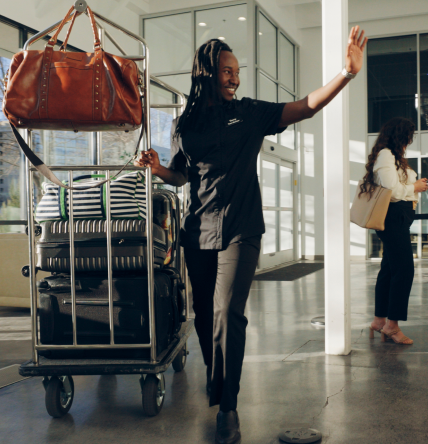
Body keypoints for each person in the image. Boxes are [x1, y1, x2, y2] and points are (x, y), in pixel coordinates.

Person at [136, 26, 367, 444]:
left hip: (242, 230)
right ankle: (218, 381)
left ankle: (228, 407)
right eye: (227, 71)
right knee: (205, 317)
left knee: (228, 313)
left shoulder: (249, 112)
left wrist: (345, 74)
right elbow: (184, 175)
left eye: (237, 71)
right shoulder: (184, 123)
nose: (234, 78)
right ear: (206, 72)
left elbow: (306, 107)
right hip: (198, 233)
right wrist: (159, 170)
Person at [365, 118, 428, 346]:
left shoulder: (393, 157)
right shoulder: (386, 155)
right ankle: (392, 326)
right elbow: (390, 191)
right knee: (404, 270)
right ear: (400, 135)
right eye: (408, 136)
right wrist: (415, 187)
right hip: (392, 218)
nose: (409, 141)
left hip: (399, 218)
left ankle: (379, 321)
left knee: (389, 270)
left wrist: (414, 185)